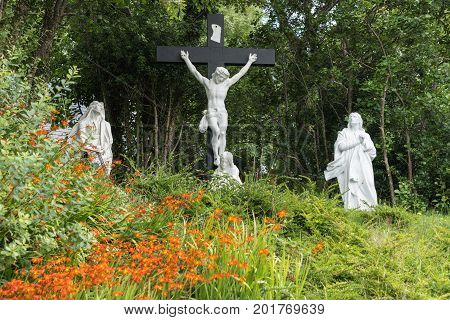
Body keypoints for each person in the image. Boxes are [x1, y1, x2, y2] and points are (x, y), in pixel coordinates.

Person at [180, 50, 257, 166]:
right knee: (216, 131)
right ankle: (216, 156)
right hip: (211, 111)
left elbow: (240, 74)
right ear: (216, 74)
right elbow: (195, 72)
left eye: (223, 78)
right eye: (220, 77)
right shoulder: (207, 83)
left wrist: (249, 62)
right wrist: (186, 59)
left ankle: (221, 157)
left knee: (223, 132)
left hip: (222, 111)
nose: (221, 79)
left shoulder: (226, 84)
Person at [324, 113, 377, 210]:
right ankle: (353, 208)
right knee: (351, 185)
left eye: (355, 116)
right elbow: (341, 146)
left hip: (363, 163)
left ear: (359, 120)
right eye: (350, 117)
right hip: (349, 162)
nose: (352, 118)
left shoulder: (365, 135)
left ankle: (370, 207)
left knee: (368, 183)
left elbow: (373, 152)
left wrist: (365, 144)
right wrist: (358, 142)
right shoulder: (344, 132)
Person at [69, 101, 113, 175]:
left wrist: (103, 148)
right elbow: (82, 141)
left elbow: (109, 141)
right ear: (91, 111)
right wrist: (94, 148)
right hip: (89, 148)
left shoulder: (106, 125)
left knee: (106, 160)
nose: (98, 116)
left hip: (103, 149)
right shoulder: (83, 123)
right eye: (95, 113)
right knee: (90, 165)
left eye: (99, 113)